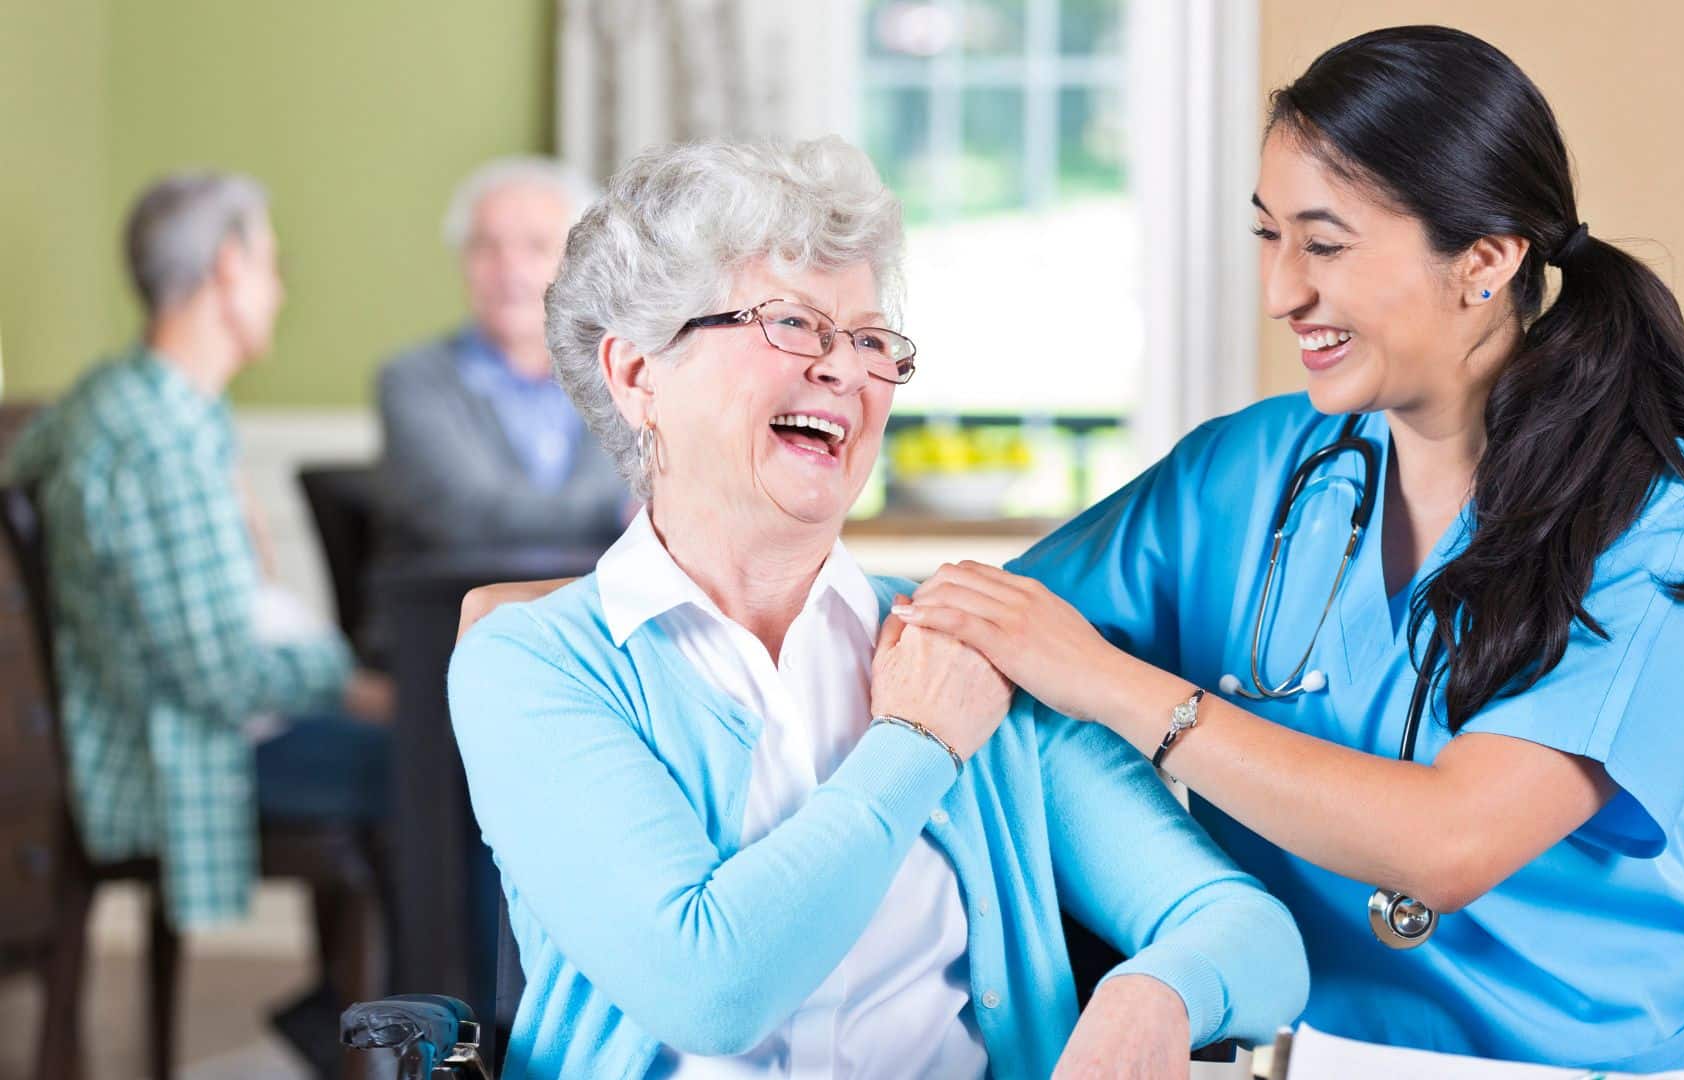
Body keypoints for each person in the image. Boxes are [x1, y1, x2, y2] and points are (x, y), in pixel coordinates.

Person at [894, 26, 1684, 1078]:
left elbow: (1449, 845)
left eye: (1325, 244)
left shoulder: (1653, 519)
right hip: (1332, 1056)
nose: (1281, 292)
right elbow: (971, 645)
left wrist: (1116, 687)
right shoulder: (1242, 477)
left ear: (1485, 258)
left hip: (1617, 1063)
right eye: (1267, 237)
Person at [448, 137, 1308, 1079]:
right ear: (638, 374)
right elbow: (708, 990)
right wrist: (917, 742)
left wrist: (1162, 989)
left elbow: (1253, 936)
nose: (845, 371)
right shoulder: (531, 664)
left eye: (868, 339)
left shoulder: (973, 644)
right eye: (792, 324)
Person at [4, 173, 393, 1063]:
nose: (281, 288)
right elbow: (217, 674)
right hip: (177, 752)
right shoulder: (161, 434)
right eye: (271, 264)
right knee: (425, 767)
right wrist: (354, 686)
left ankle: (349, 1022)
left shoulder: (120, 398)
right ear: (228, 269)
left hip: (167, 721)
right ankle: (386, 1035)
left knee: (414, 753)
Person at [377, 158, 629, 551]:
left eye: (536, 247)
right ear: (464, 263)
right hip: (462, 606)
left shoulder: (625, 375)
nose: (509, 269)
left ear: (580, 266)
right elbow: (469, 511)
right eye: (487, 247)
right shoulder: (413, 379)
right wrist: (619, 511)